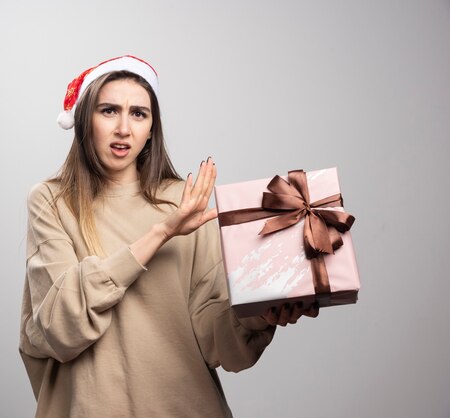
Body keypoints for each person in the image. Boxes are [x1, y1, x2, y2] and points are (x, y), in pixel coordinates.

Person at [19, 55, 318, 418]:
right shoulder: (52, 201)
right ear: (85, 119)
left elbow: (214, 338)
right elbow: (60, 325)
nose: (124, 129)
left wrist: (260, 315)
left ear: (151, 128)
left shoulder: (183, 201)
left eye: (139, 114)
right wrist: (162, 232)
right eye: (109, 111)